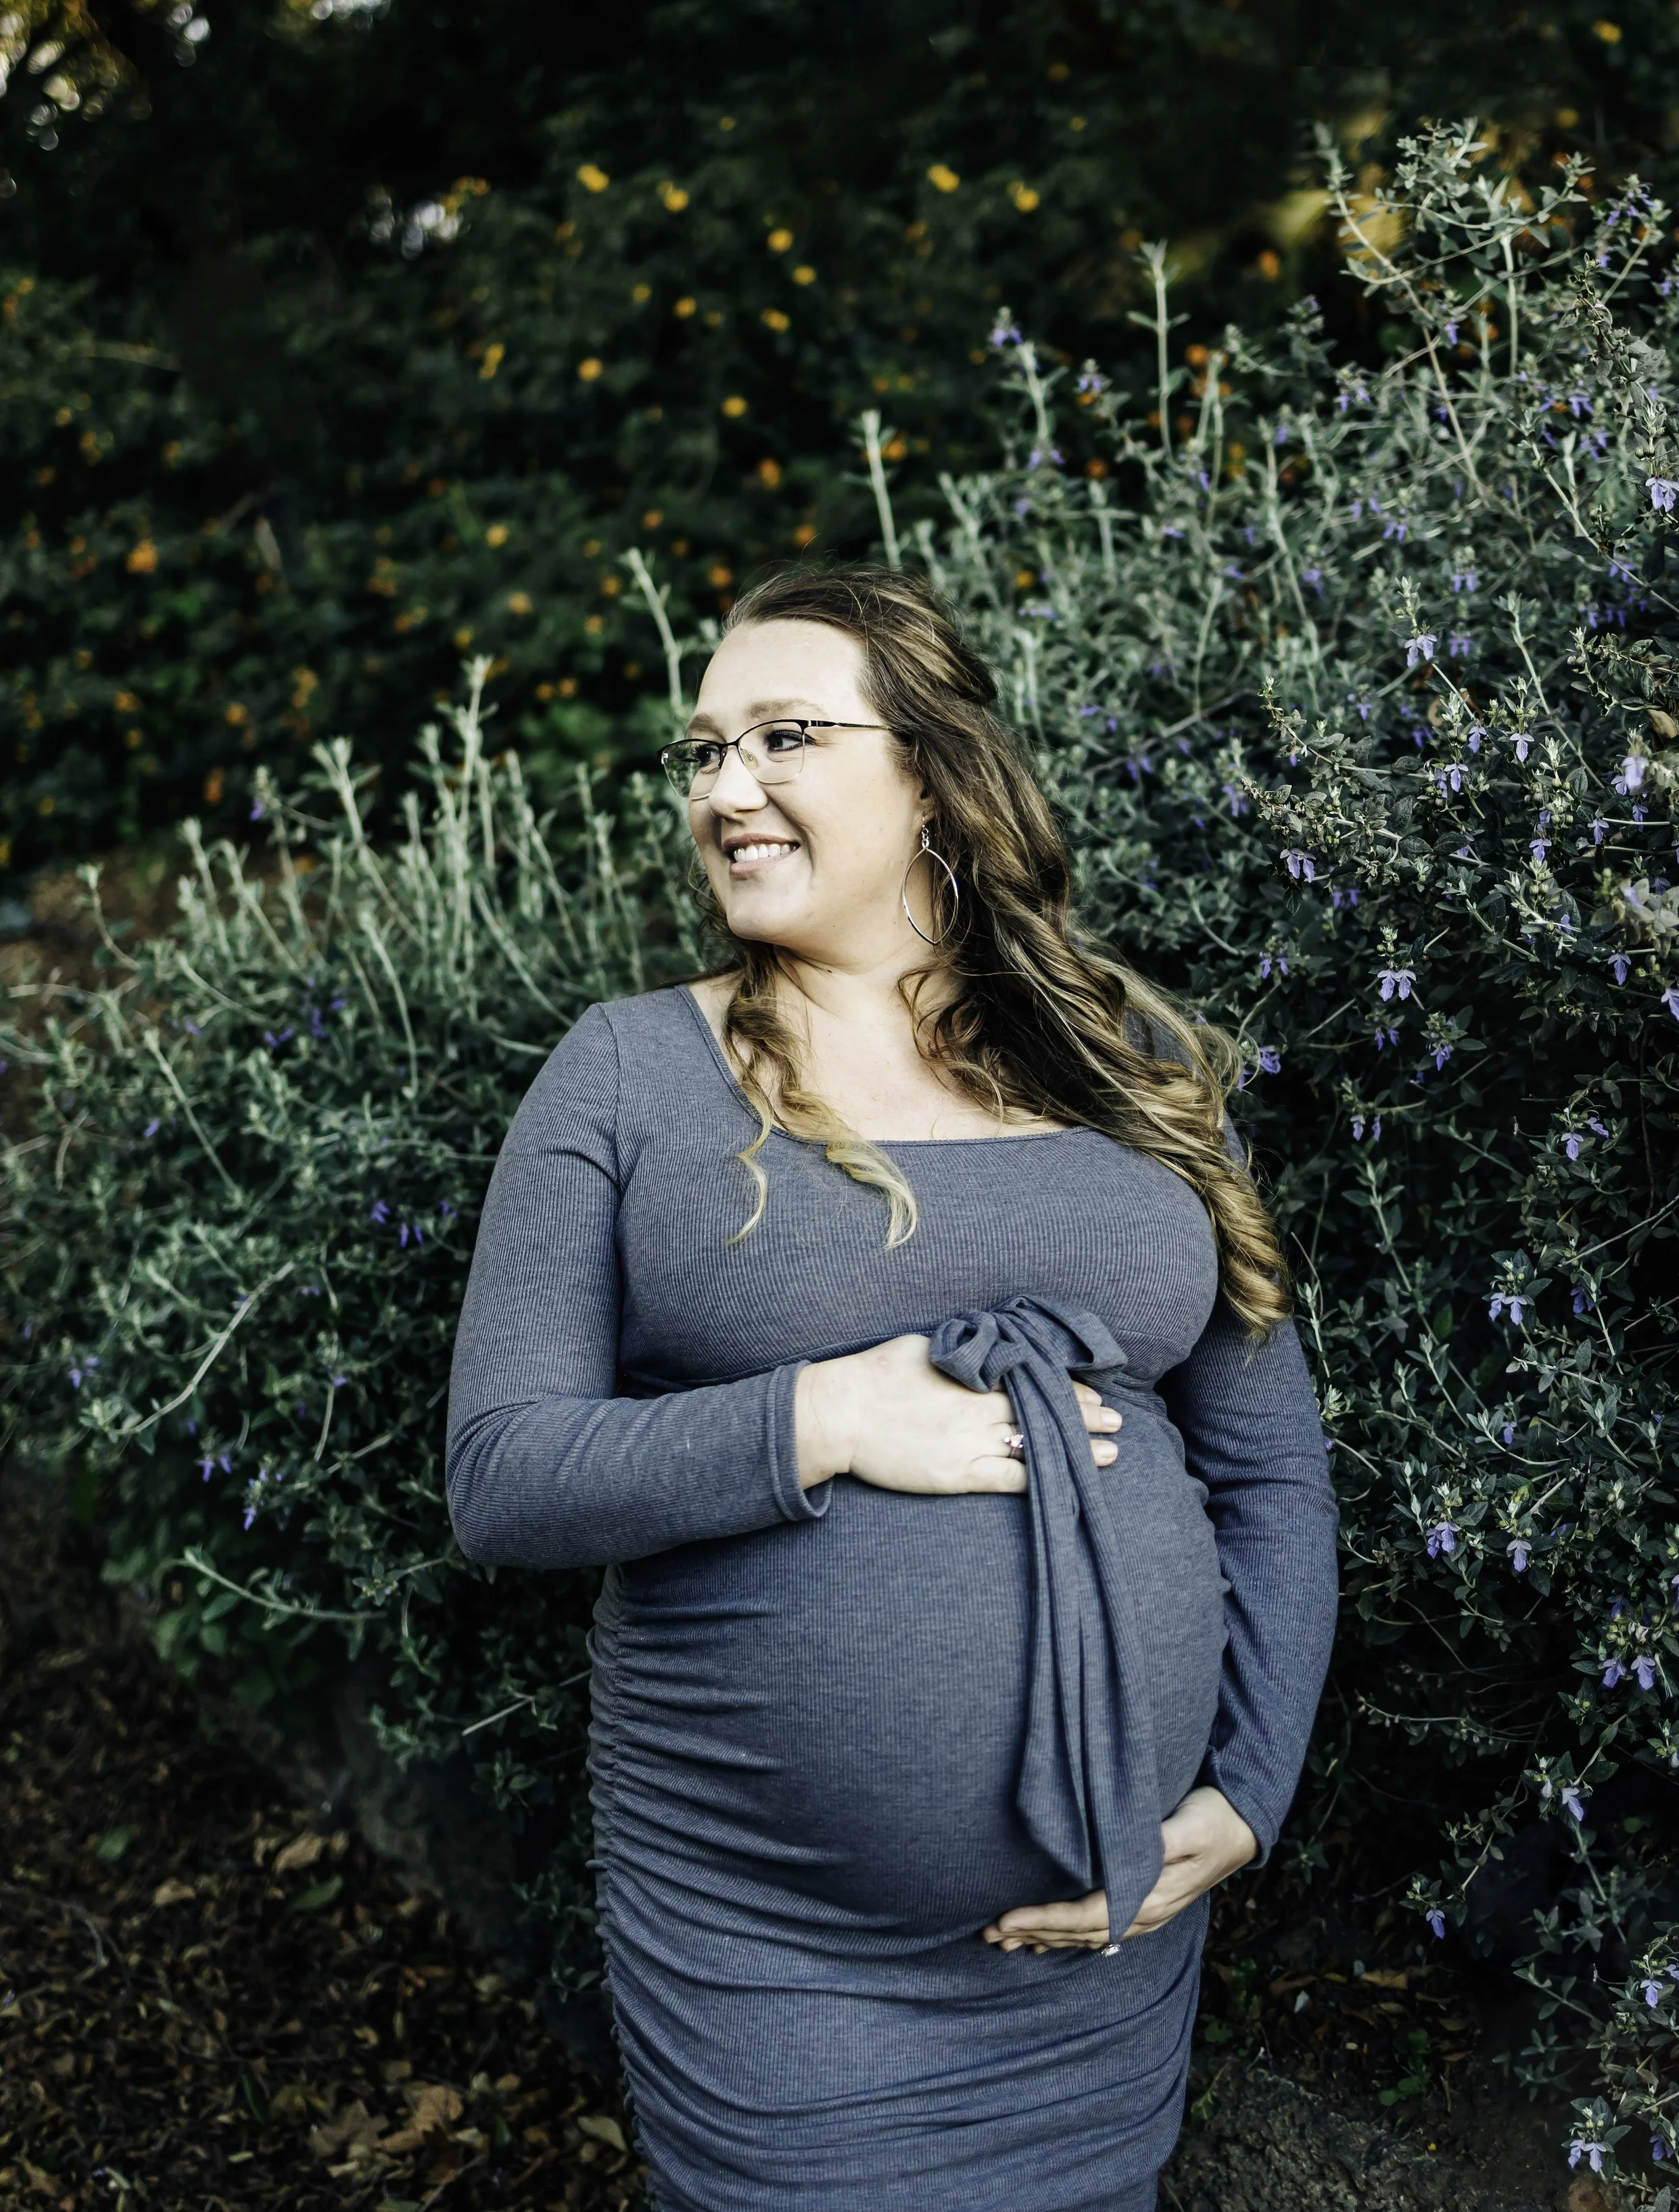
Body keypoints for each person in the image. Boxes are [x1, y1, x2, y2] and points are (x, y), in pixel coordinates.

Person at [446, 566, 1340, 2211]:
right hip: (773, 1950)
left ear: (931, 770)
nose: (724, 786)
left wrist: (1249, 1784)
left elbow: (1269, 1468)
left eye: (781, 735)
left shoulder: (1124, 1053)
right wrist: (828, 1416)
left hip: (1104, 1935)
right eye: (700, 751)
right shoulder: (630, 1070)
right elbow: (505, 1473)